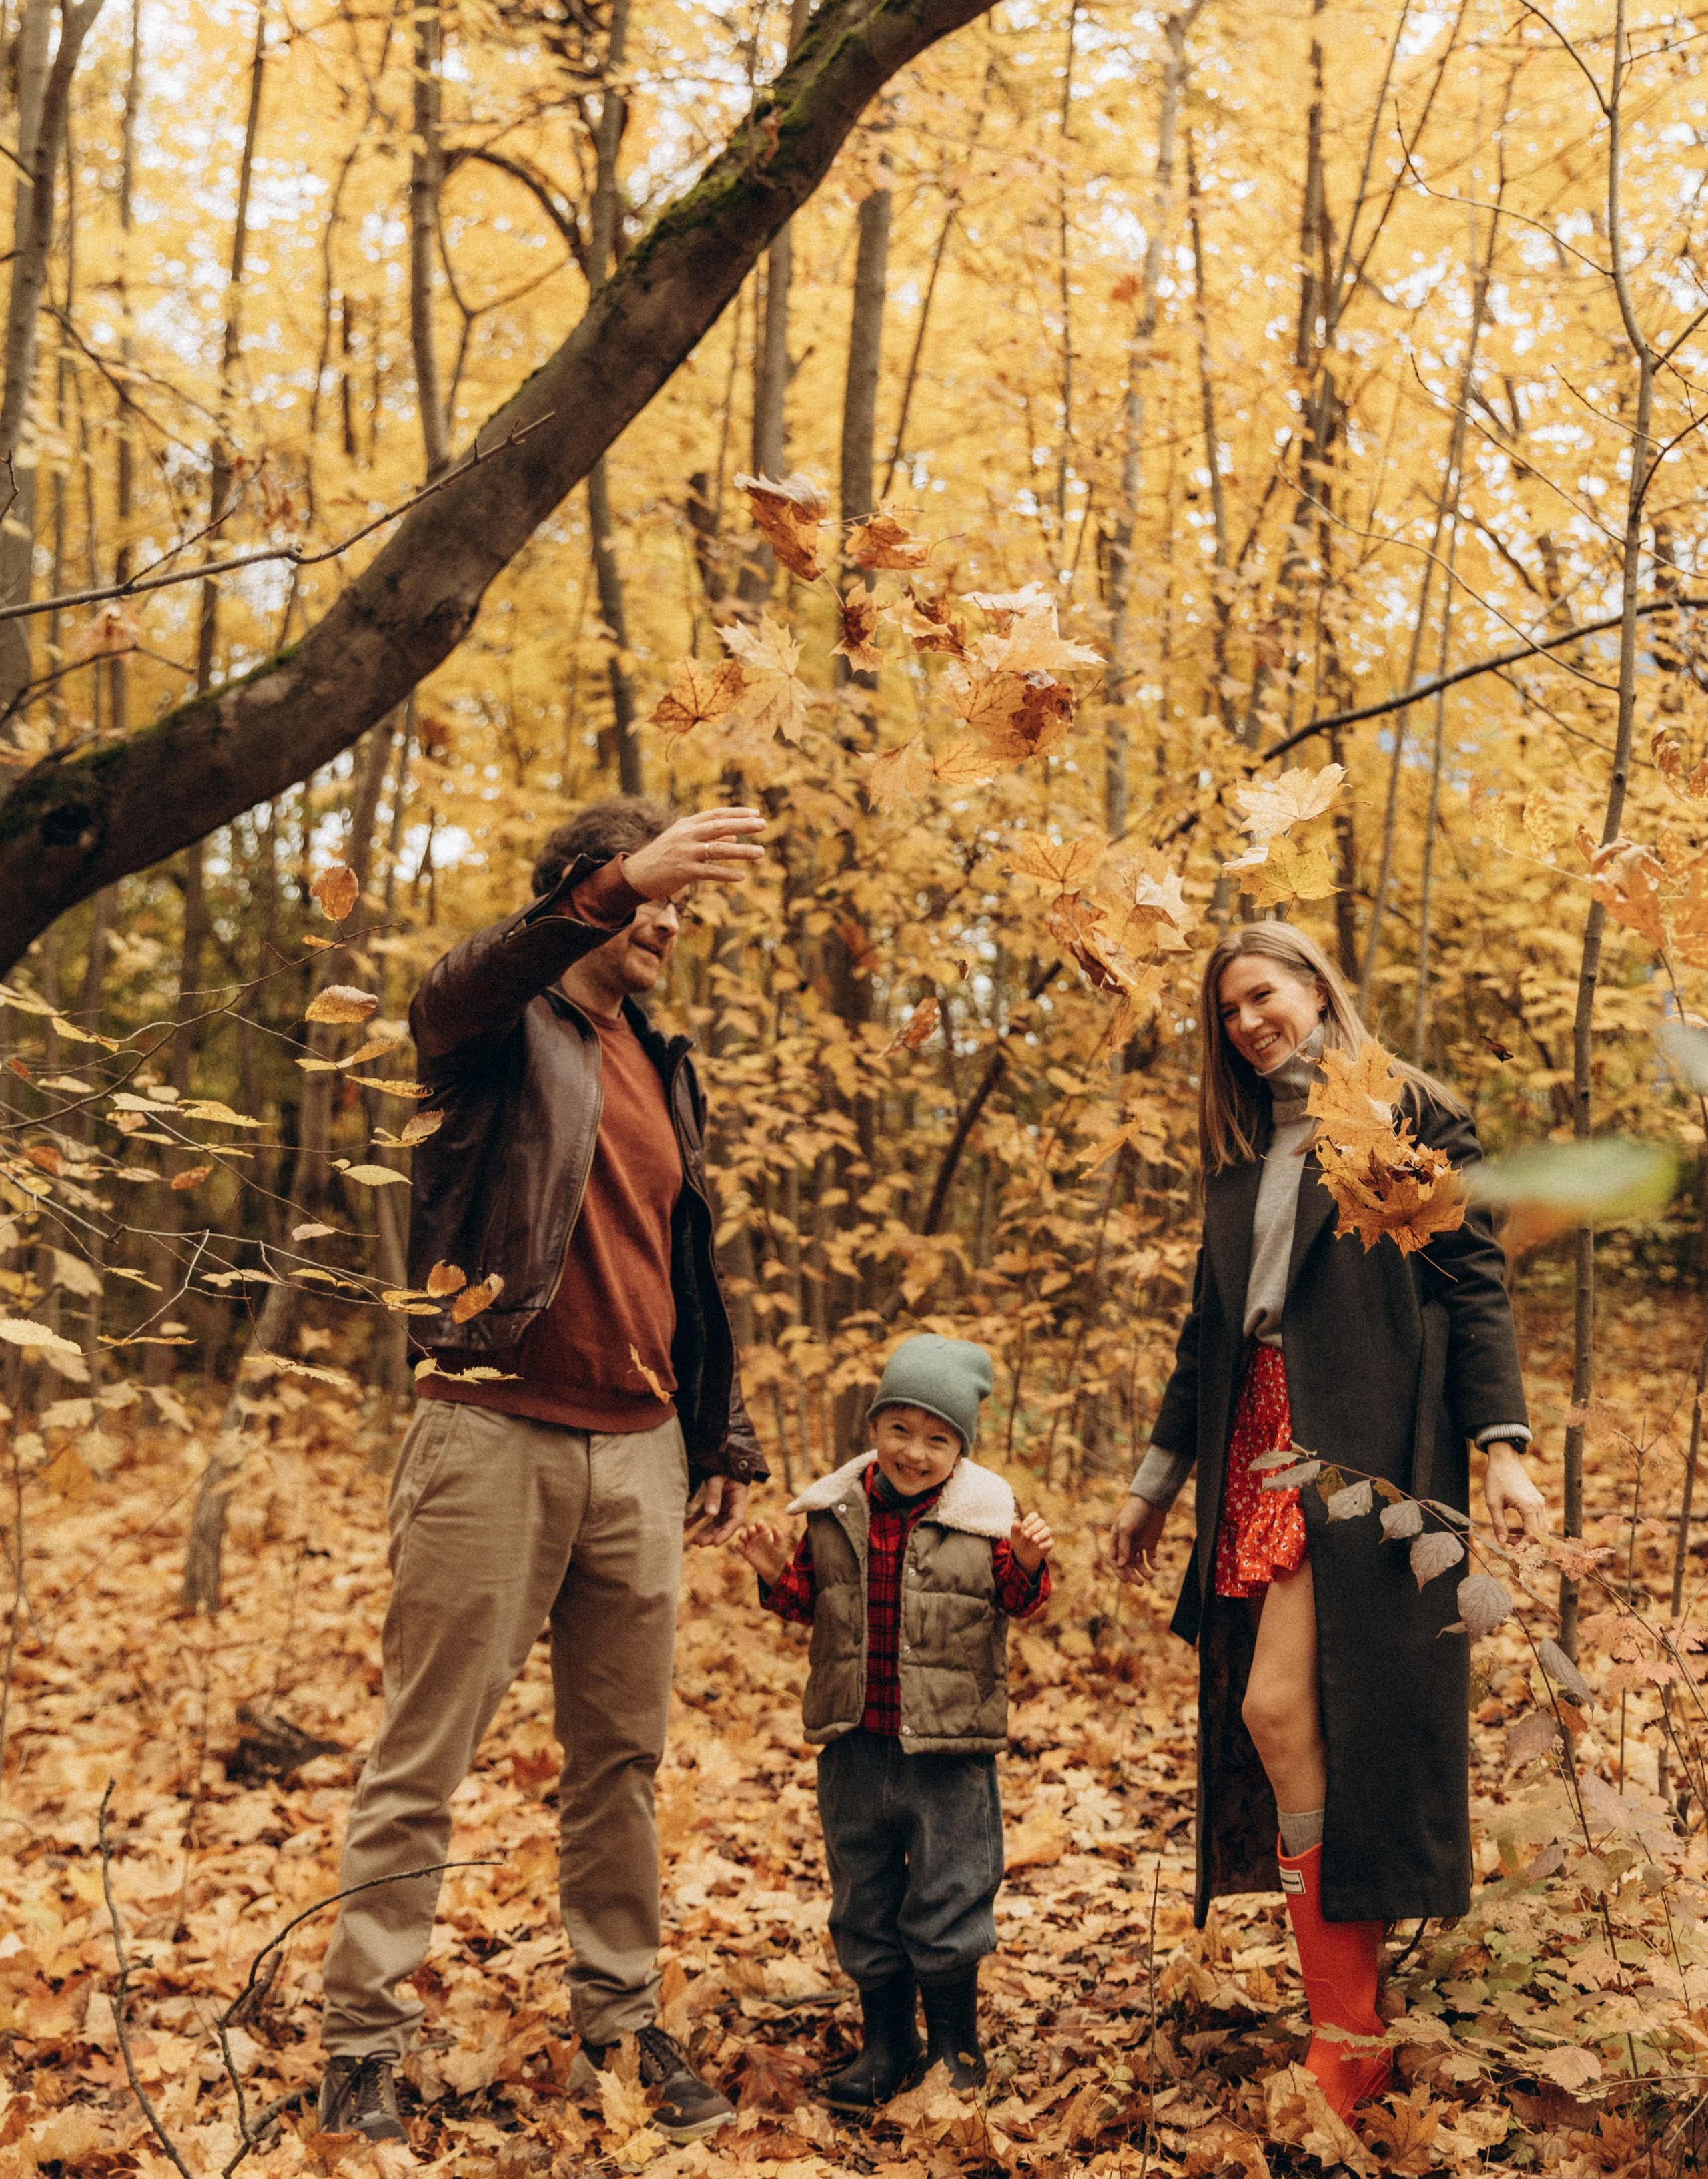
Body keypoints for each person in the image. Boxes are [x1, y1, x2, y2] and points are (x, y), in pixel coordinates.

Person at [318, 796, 772, 2146]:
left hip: (639, 1452)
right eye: (652, 903)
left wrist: (720, 1435)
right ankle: (361, 2046)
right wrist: (623, 879)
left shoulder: (664, 1065)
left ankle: (618, 2026)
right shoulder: (495, 1029)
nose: (669, 928)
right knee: (425, 1752)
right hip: (490, 1429)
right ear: (585, 891)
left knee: (619, 1762)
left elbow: (680, 1264)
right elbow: (453, 986)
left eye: (682, 911)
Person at [1107, 923, 1547, 2122]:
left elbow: (1472, 1283)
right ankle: (1346, 2019)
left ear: (1314, 986)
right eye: (1228, 1011)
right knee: (1298, 1722)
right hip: (1253, 1435)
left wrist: (1503, 1449)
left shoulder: (1403, 1114)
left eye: (1264, 995)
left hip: (1358, 1440)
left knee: (1284, 1708)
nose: (1249, 1023)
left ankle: (1350, 2029)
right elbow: (1210, 1329)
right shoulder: (1243, 1149)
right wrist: (1152, 1487)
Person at [737, 1334, 1055, 2106]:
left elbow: (1019, 1602)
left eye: (937, 1440)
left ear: (960, 1451)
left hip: (949, 1748)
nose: (915, 1451)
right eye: (900, 1429)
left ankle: (953, 2046)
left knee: (950, 1888)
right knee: (864, 1893)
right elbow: (811, 1604)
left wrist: (1026, 1561)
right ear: (874, 1427)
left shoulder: (985, 1520)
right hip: (854, 1741)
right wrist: (774, 1573)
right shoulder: (834, 1513)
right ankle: (887, 2042)